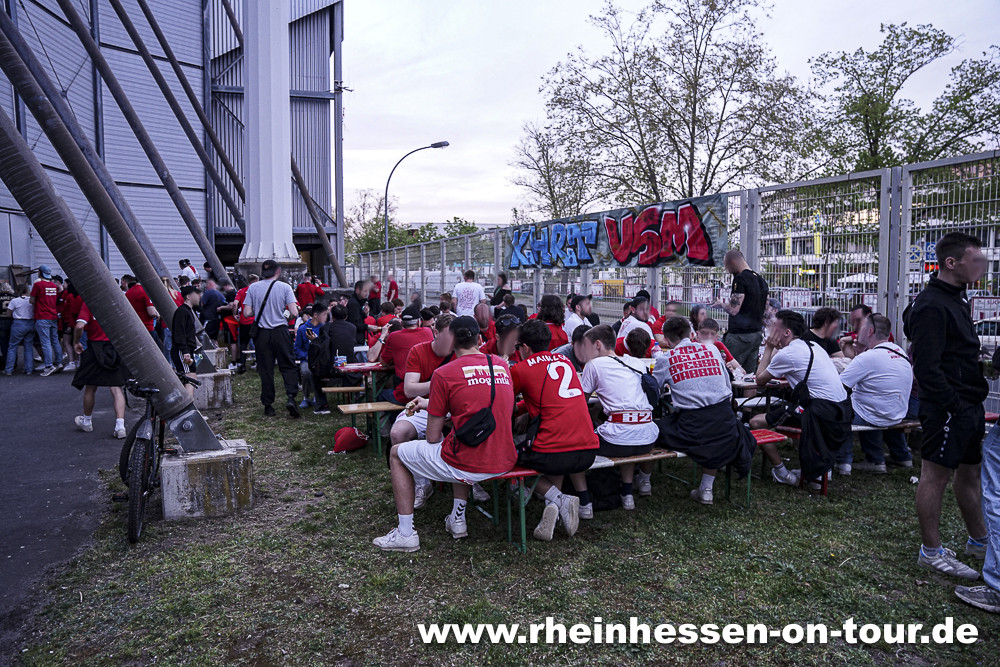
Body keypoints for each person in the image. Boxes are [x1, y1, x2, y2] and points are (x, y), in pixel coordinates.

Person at [373, 316, 516, 552]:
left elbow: (431, 436)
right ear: (480, 339)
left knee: (397, 453)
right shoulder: (501, 365)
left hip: (471, 462)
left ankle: (405, 533)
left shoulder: (444, 373)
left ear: (452, 343)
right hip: (505, 458)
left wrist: (438, 407)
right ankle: (457, 519)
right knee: (455, 441)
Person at [906, 231, 989, 581]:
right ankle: (931, 551)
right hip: (949, 407)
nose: (982, 265)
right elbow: (927, 367)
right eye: (976, 259)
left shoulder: (956, 298)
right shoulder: (932, 305)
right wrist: (952, 404)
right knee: (935, 475)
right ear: (952, 263)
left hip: (969, 404)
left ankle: (981, 541)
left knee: (969, 473)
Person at [511, 319, 599, 539]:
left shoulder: (521, 368)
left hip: (554, 451)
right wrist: (524, 408)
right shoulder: (564, 361)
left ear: (525, 347)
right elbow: (551, 397)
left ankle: (560, 499)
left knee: (507, 460)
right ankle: (551, 513)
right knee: (553, 454)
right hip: (587, 451)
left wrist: (518, 411)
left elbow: (503, 403)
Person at [653, 317, 756, 505]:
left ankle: (643, 480)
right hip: (725, 424)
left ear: (666, 341)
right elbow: (727, 385)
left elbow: (654, 393)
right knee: (714, 432)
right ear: (692, 335)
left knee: (651, 430)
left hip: (692, 428)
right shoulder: (712, 349)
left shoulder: (665, 359)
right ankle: (706, 488)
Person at [750, 310, 852, 490]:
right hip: (841, 411)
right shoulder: (813, 346)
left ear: (786, 333)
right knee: (794, 413)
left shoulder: (788, 354)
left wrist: (768, 347)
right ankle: (818, 469)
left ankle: (782, 473)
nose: (770, 333)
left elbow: (759, 380)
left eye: (774, 329)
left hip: (821, 413)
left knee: (756, 422)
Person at [578, 324, 659, 511]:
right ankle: (627, 493)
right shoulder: (636, 362)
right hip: (647, 437)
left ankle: (583, 501)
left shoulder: (593, 365)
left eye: (586, 346)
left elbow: (581, 405)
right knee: (622, 433)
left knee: (577, 445)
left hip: (618, 440)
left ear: (597, 345)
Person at [391, 313, 457, 507]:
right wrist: (441, 382)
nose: (452, 342)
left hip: (454, 407)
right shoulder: (419, 351)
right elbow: (409, 389)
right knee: (397, 433)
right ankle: (422, 483)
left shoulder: (460, 350)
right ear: (435, 333)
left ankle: (471, 481)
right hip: (423, 407)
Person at [838, 313, 913, 474]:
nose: (858, 331)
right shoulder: (900, 352)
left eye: (862, 327)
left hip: (873, 414)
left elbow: (838, 387)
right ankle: (901, 456)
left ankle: (844, 462)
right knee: (871, 402)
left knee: (840, 408)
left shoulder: (868, 357)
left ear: (870, 331)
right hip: (897, 413)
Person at [242, 260, 301, 418]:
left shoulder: (252, 288)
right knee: (288, 365)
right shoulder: (284, 287)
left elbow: (247, 313)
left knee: (265, 369)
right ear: (278, 271)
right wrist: (283, 311)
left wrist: (260, 309)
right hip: (280, 331)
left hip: (262, 333)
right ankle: (290, 397)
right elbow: (294, 313)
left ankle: (268, 405)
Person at [72, 302, 128, 438]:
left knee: (90, 386)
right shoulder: (115, 302)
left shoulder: (89, 304)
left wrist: (76, 341)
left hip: (95, 347)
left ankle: (87, 421)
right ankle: (120, 426)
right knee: (116, 388)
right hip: (114, 347)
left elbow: (80, 326)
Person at [711, 249, 768, 373]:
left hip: (739, 337)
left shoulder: (740, 279)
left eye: (727, 267)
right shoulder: (761, 280)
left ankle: (730, 393)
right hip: (756, 334)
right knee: (749, 375)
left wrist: (721, 304)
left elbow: (734, 309)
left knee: (729, 370)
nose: (727, 270)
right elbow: (765, 309)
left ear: (732, 262)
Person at [311, 305, 363, 415]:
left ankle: (323, 405)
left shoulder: (325, 328)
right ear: (346, 316)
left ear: (332, 317)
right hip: (350, 368)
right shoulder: (352, 327)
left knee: (314, 374)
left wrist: (314, 340)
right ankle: (354, 399)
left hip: (331, 368)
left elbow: (322, 347)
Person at [380, 305, 436, 404]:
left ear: (401, 323)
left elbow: (383, 362)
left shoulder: (393, 337)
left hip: (405, 394)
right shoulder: (428, 332)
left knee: (381, 394)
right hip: (428, 391)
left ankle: (394, 418)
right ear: (419, 322)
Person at [294, 301, 329, 409]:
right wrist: (305, 356)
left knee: (320, 372)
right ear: (315, 315)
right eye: (324, 314)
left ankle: (317, 395)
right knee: (306, 372)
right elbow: (297, 347)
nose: (326, 317)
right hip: (307, 359)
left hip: (321, 359)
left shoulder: (325, 328)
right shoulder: (302, 329)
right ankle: (306, 396)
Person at [31, 265, 63, 376]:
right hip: (53, 316)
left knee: (45, 342)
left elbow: (32, 300)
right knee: (55, 341)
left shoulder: (38, 285)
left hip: (42, 316)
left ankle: (49, 366)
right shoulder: (53, 286)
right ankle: (59, 362)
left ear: (40, 273)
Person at [170, 285, 201, 400]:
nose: (199, 296)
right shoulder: (182, 311)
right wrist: (185, 351)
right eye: (196, 294)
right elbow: (179, 333)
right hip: (183, 350)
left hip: (186, 350)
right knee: (190, 379)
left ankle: (190, 409)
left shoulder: (187, 311)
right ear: (188, 296)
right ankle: (190, 410)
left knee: (190, 378)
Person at [3, 285, 35, 375]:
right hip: (31, 323)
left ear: (17, 291)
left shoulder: (14, 301)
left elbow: (8, 314)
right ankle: (29, 369)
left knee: (12, 347)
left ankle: (9, 369)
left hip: (18, 324)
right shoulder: (31, 301)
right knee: (28, 347)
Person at [232, 274, 258, 373]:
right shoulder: (258, 291)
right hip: (256, 321)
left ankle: (242, 365)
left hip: (244, 321)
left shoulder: (241, 291)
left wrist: (234, 314)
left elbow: (235, 303)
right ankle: (258, 363)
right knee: (257, 343)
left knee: (243, 344)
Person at [124, 277, 159, 347]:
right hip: (148, 327)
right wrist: (157, 315)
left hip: (134, 328)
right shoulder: (146, 291)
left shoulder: (128, 293)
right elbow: (151, 312)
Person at [57, 280, 82, 369]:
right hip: (78, 322)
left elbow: (68, 311)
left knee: (67, 342)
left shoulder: (69, 296)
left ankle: (71, 361)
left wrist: (68, 324)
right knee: (76, 342)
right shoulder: (80, 297)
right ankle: (77, 360)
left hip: (68, 322)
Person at [347, 280, 373, 353]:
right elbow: (355, 323)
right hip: (356, 338)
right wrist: (368, 327)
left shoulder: (359, 302)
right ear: (358, 290)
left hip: (359, 337)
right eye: (365, 291)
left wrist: (365, 313)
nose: (367, 294)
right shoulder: (354, 304)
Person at [0, 281, 15, 371]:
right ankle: (14, 364)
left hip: (1, 321)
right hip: (12, 321)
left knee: (4, 344)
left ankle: (7, 364)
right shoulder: (14, 298)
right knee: (12, 344)